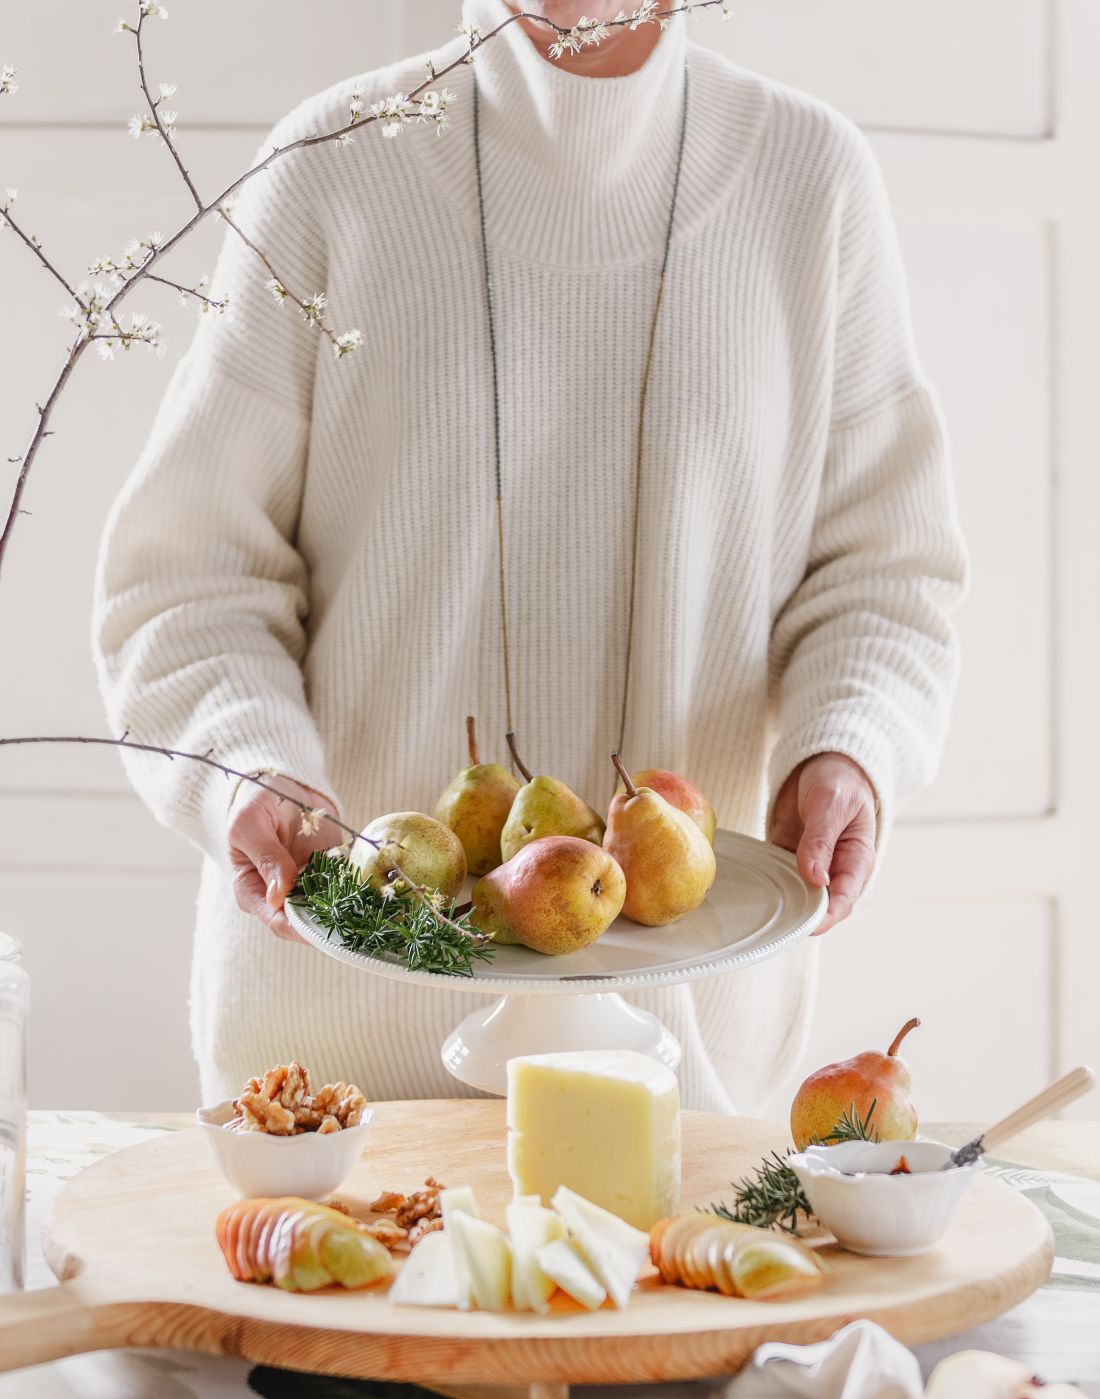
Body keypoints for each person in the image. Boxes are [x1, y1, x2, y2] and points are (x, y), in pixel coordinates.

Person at [93, 0, 967, 1113]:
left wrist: (845, 745)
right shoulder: (331, 170)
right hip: (338, 1073)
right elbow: (188, 574)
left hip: (675, 1071)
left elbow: (884, 575)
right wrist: (243, 760)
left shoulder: (809, 181)